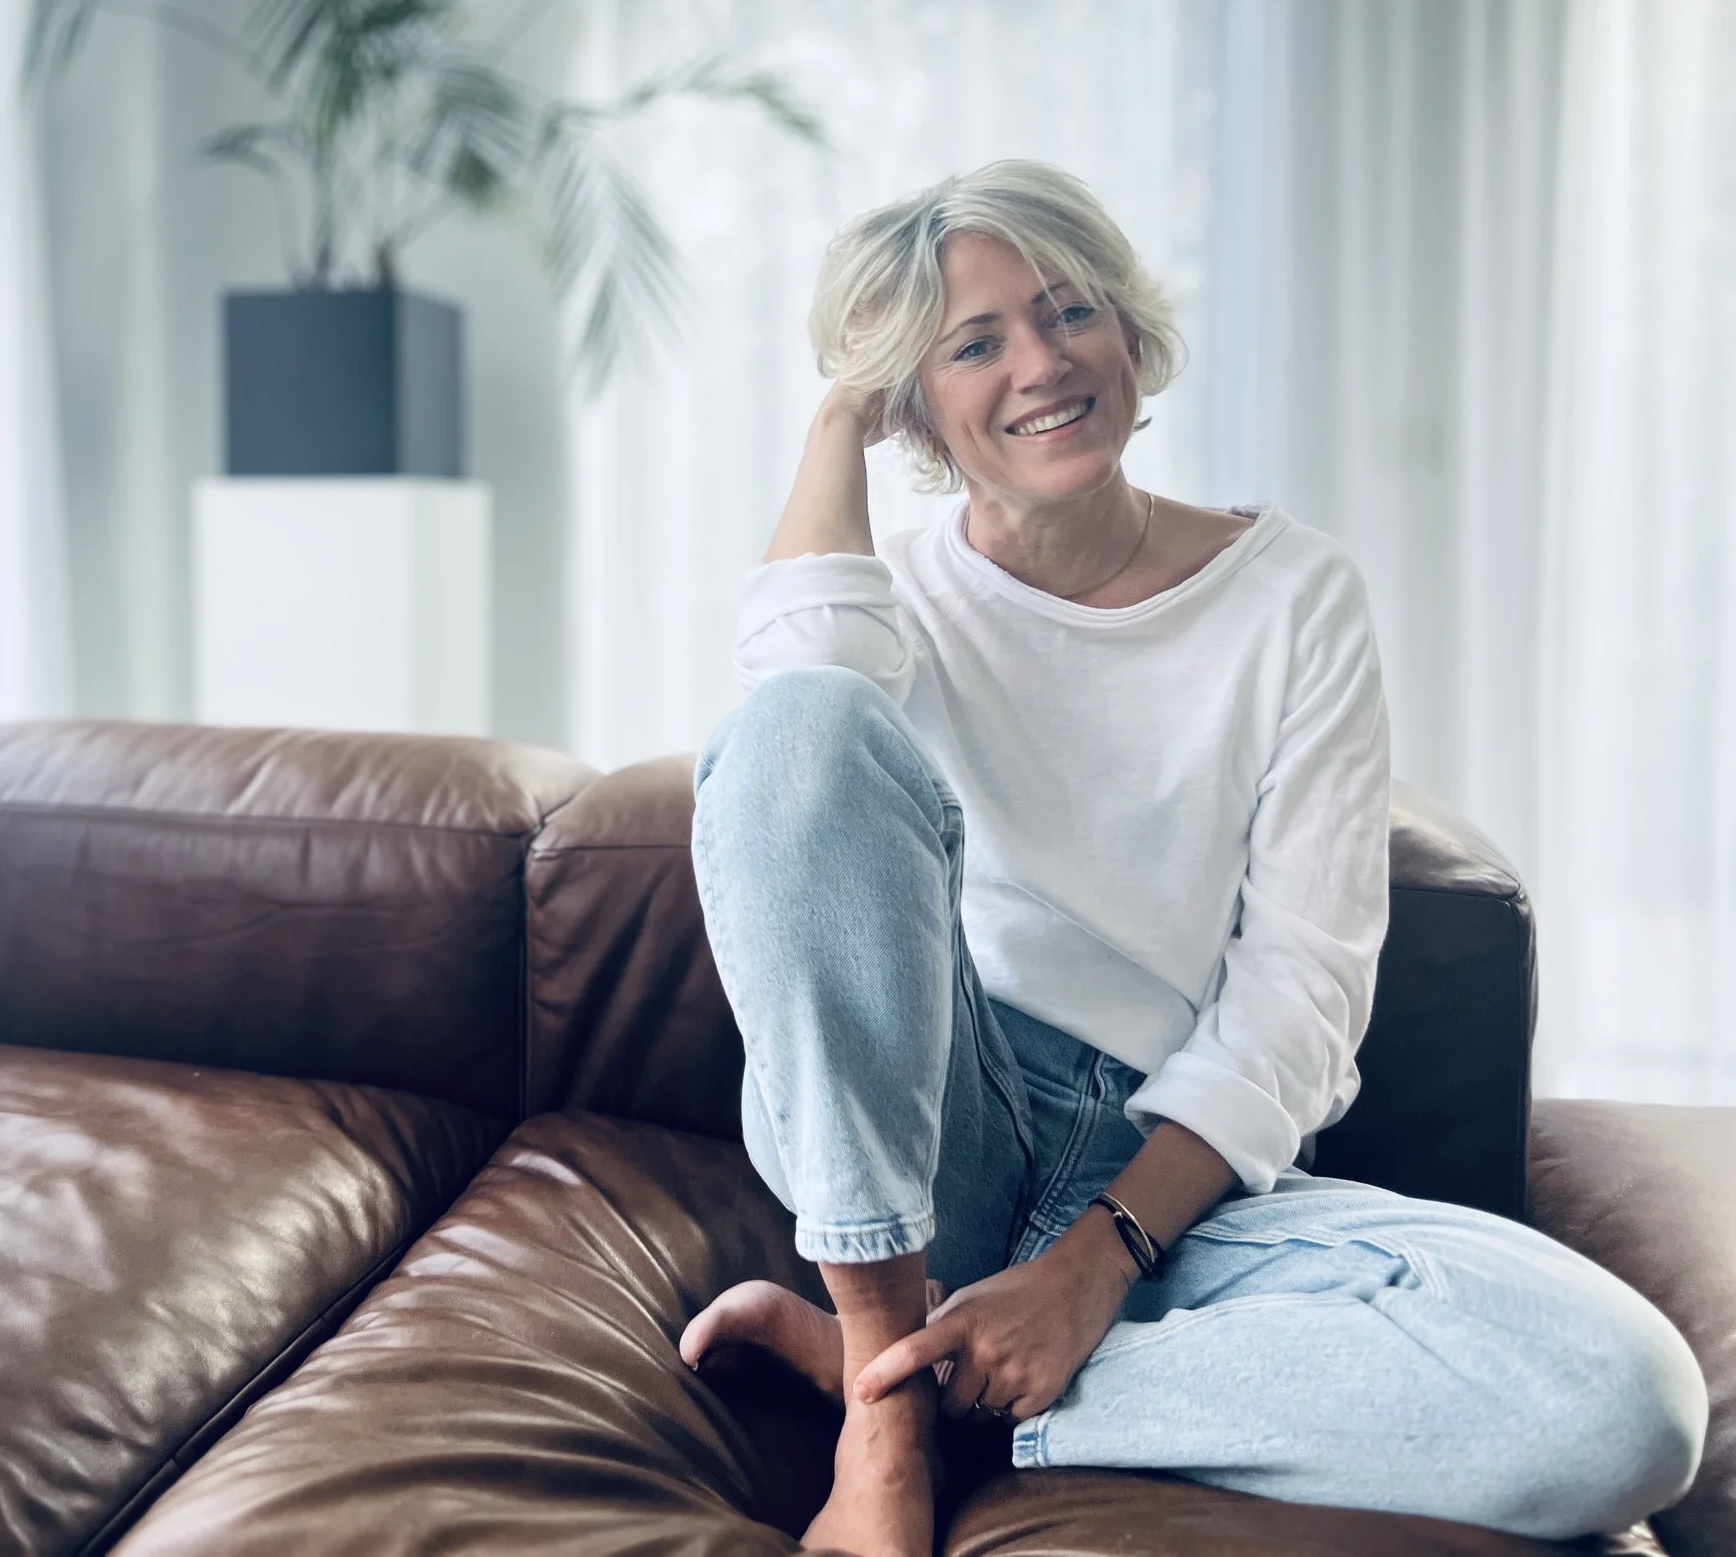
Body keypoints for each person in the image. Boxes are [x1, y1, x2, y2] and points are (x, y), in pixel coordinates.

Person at [678, 160, 1706, 1557]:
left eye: (1070, 311)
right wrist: (834, 419)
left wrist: (1097, 1264)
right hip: (934, 1138)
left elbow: (1298, 995)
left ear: (1130, 330)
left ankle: (918, 1371)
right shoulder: (890, 599)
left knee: (1627, 1403)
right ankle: (887, 1401)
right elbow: (791, 768)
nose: (1043, 363)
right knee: (797, 722)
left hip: (1173, 1170)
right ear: (914, 403)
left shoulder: (1294, 597)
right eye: (975, 343)